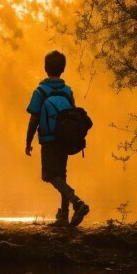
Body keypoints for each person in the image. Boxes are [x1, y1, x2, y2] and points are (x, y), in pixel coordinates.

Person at [25, 50, 89, 227]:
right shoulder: (67, 91)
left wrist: (28, 142)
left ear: (45, 68)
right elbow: (73, 114)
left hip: (48, 140)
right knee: (62, 174)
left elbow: (34, 119)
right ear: (63, 69)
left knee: (49, 175)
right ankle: (64, 216)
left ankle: (76, 201)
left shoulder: (40, 92)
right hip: (65, 139)